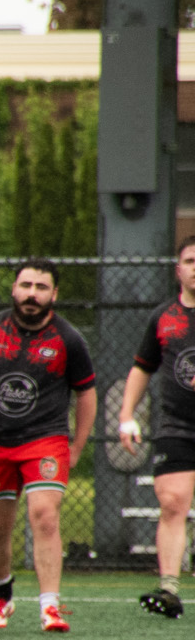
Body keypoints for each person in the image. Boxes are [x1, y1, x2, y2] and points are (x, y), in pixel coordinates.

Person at [0, 259, 96, 633]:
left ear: (55, 294)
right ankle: (0, 596)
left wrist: (77, 445)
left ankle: (50, 606)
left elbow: (86, 395)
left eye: (41, 287)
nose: (32, 294)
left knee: (44, 516)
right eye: (26, 285)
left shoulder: (68, 339)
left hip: (45, 442)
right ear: (14, 289)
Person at [118, 236, 195, 618]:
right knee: (172, 503)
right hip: (177, 426)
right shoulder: (164, 317)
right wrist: (127, 415)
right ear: (178, 269)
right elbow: (142, 367)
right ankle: (169, 588)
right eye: (191, 260)